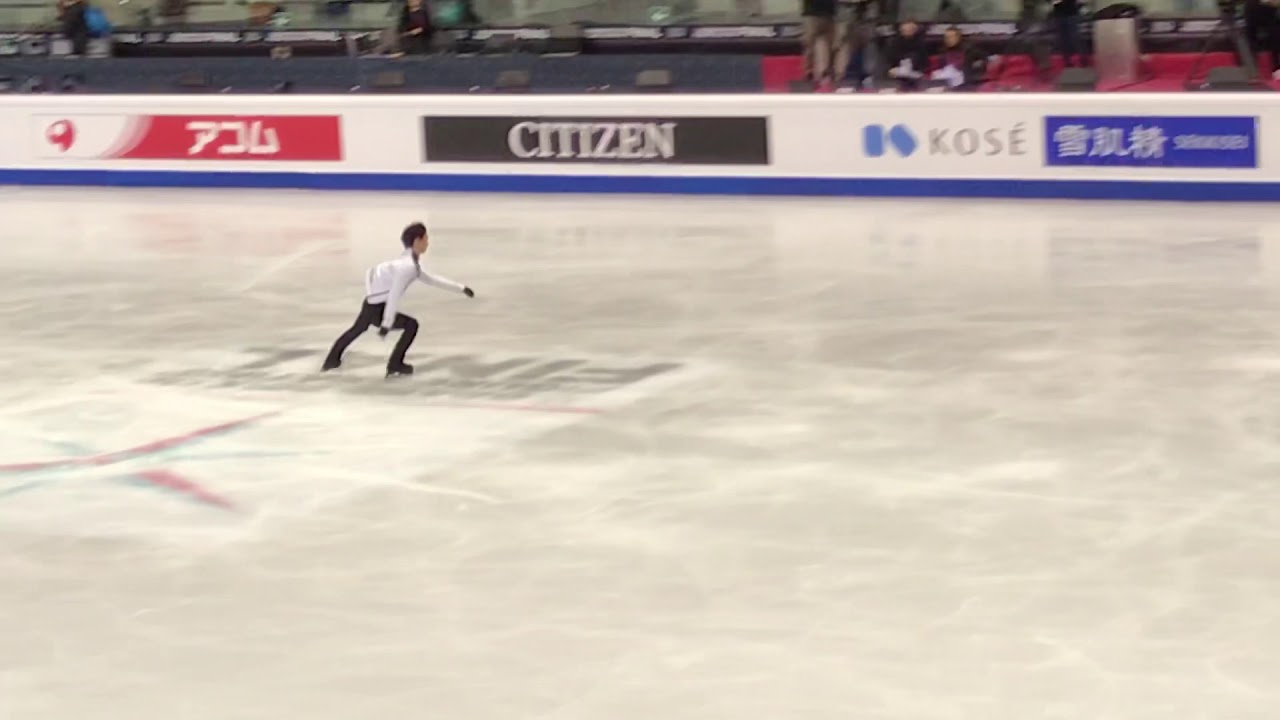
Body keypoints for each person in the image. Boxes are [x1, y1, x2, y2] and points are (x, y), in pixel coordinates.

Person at [322, 222, 474, 377]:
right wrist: (386, 324)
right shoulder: (407, 267)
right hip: (378, 307)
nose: (427, 243)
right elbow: (394, 295)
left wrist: (461, 288)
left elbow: (431, 279)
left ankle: (331, 360)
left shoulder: (408, 264)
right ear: (417, 241)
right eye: (425, 239)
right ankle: (395, 364)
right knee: (411, 325)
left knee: (358, 329)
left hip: (371, 303)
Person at [886, 20, 930, 90]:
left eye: (910, 29)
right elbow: (889, 60)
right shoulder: (894, 43)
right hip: (897, 76)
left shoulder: (921, 43)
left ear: (915, 30)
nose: (907, 31)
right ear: (901, 30)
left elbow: (924, 61)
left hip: (916, 75)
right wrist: (890, 69)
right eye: (905, 30)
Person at [1049, 0, 1085, 69]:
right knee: (1063, 39)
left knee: (1075, 37)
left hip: (1071, 13)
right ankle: (1067, 62)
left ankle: (1083, 60)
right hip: (1059, 15)